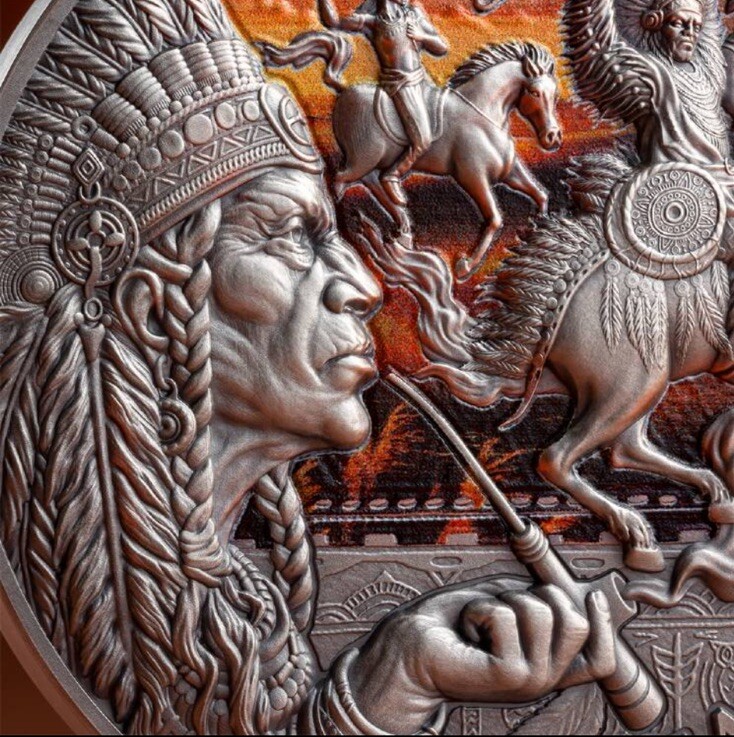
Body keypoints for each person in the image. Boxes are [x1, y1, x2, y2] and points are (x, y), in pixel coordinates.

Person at [0, 0, 615, 733]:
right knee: (416, 130)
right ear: (153, 309)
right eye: (293, 235)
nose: (364, 285)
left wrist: (396, 680)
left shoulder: (241, 607)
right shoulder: (106, 620)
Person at [317, 0, 448, 206]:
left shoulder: (413, 15)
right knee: (423, 139)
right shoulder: (374, 22)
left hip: (423, 80)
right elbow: (334, 22)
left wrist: (422, 36)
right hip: (400, 84)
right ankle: (393, 174)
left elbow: (442, 47)